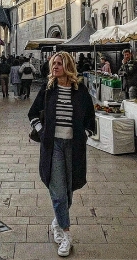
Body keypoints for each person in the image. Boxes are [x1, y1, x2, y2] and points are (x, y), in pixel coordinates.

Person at [28, 51, 95, 257]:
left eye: (58, 63)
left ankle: (57, 222)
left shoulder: (80, 90)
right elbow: (32, 113)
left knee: (68, 189)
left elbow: (90, 117)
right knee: (57, 190)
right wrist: (42, 131)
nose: (54, 67)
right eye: (53, 64)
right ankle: (66, 235)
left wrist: (84, 133)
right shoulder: (48, 89)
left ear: (67, 66)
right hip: (53, 145)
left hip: (73, 146)